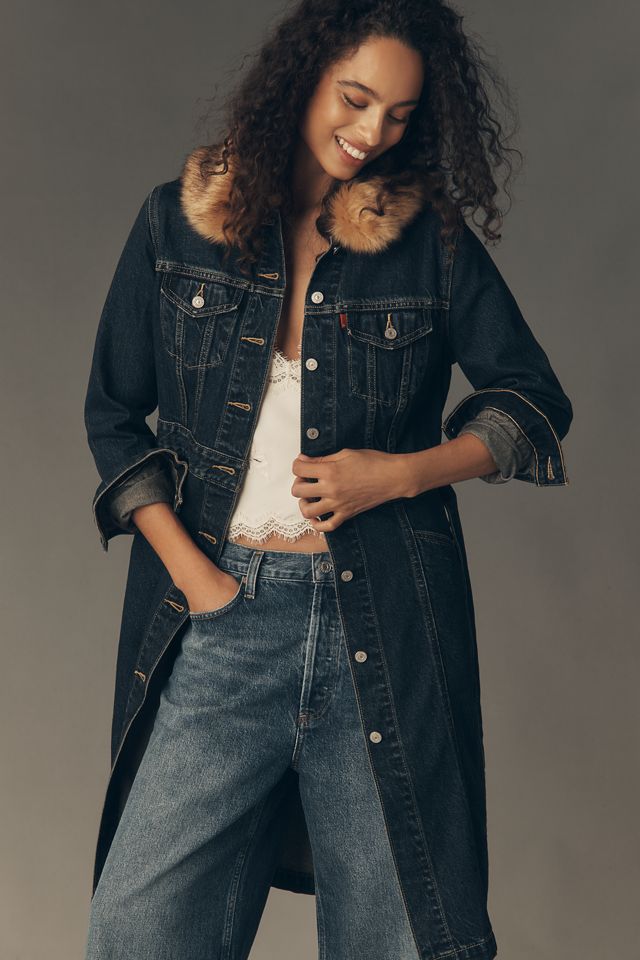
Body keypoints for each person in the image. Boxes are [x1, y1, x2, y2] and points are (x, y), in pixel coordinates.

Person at [83, 1, 573, 958]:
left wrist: (402, 474)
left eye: (399, 115)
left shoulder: (429, 244)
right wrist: (195, 576)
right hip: (221, 619)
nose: (372, 132)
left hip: (381, 624)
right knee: (138, 931)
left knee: (396, 937)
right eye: (356, 100)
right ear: (301, 78)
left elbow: (533, 402)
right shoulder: (177, 225)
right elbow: (113, 414)